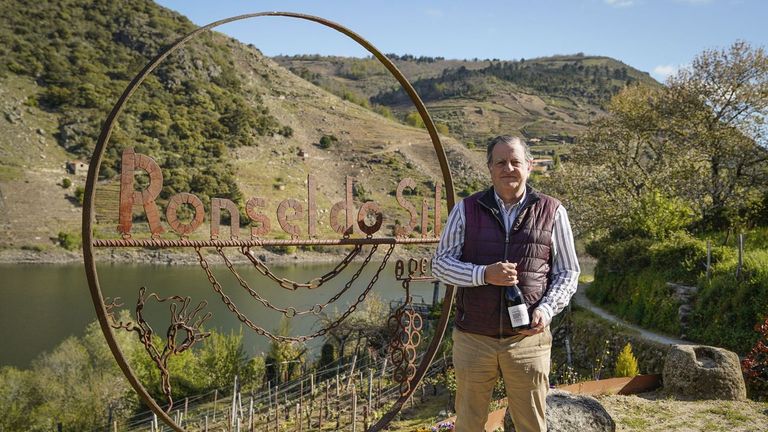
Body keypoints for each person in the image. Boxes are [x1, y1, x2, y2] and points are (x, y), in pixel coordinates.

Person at [432, 135, 580, 432]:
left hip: (528, 341)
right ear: (490, 168)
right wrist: (484, 274)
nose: (508, 168)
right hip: (474, 338)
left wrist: (547, 309)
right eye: (500, 162)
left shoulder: (553, 211)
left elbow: (568, 272)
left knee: (531, 425)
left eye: (515, 161)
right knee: (469, 424)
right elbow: (440, 264)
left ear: (529, 166)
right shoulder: (466, 209)